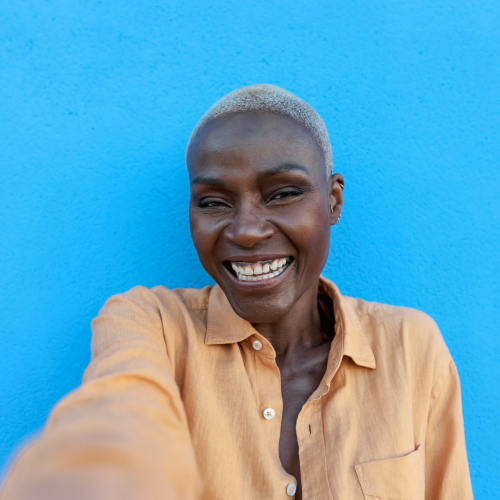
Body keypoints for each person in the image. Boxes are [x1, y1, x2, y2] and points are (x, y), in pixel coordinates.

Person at [1, 84, 473, 500]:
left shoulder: (411, 348)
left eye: (283, 193)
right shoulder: (151, 325)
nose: (246, 231)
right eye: (213, 202)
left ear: (333, 200)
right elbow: (118, 422)